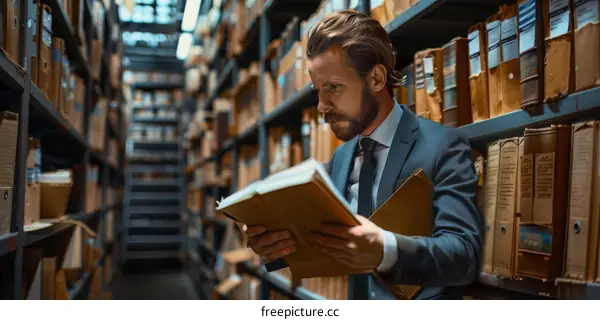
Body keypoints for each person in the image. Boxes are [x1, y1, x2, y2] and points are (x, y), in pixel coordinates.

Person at [243, 9, 483, 300]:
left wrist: (384, 250)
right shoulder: (342, 158)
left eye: (333, 87)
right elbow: (326, 242)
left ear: (377, 78)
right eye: (318, 90)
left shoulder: (443, 146)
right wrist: (275, 248)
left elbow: (464, 255)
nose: (321, 106)